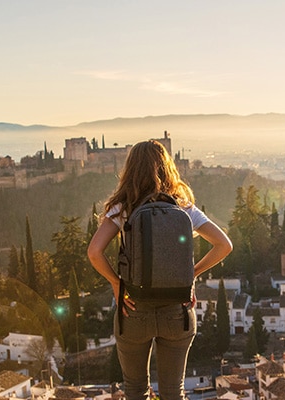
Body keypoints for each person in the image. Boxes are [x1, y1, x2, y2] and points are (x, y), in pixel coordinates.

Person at [88, 140, 232, 400]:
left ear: (130, 169)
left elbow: (94, 252)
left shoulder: (124, 207)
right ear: (167, 168)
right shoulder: (183, 207)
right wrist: (191, 276)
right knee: (173, 391)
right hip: (177, 310)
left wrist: (116, 283)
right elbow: (224, 245)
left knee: (135, 390)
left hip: (134, 309)